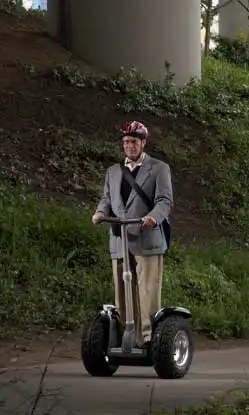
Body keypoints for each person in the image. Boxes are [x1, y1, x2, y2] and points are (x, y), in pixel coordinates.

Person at [91, 120, 174, 349]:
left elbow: (164, 201)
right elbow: (107, 199)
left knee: (148, 291)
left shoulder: (159, 169)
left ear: (143, 143)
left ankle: (148, 339)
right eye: (126, 141)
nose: (130, 146)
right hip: (120, 238)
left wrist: (153, 217)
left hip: (147, 238)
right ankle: (125, 337)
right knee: (122, 290)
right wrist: (100, 213)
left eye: (134, 141)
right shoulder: (113, 171)